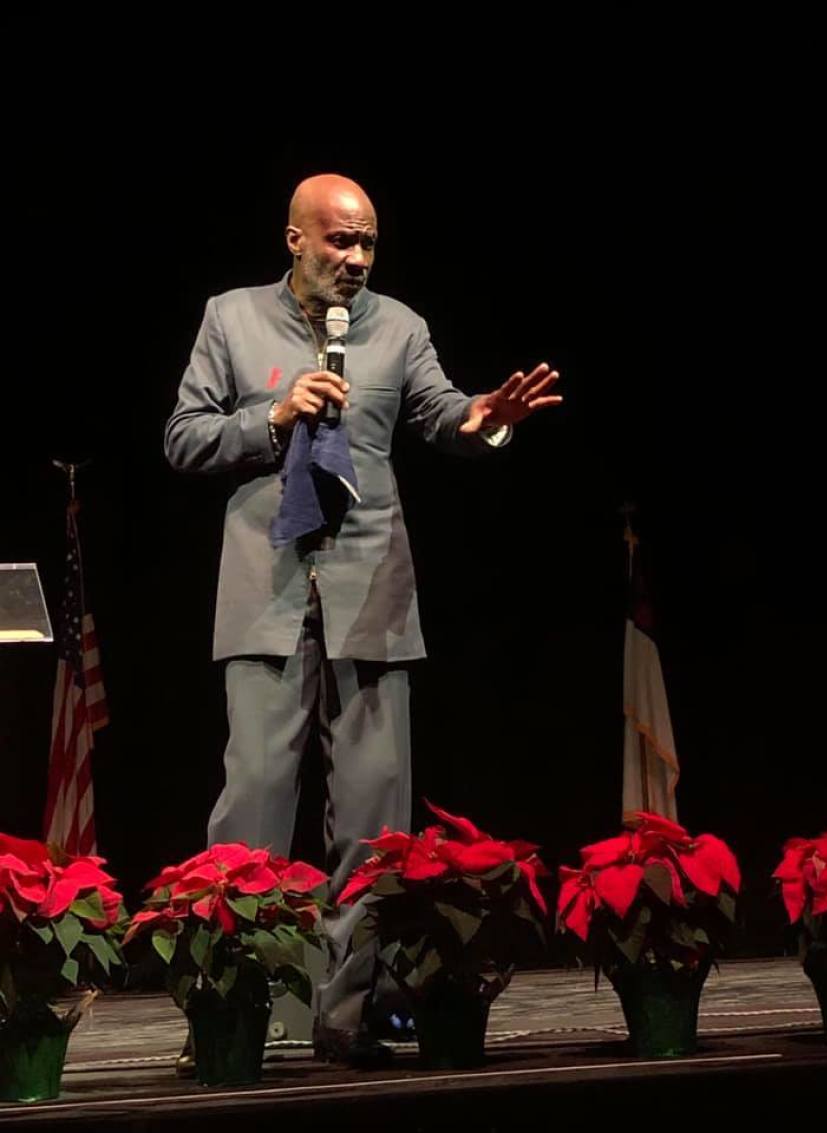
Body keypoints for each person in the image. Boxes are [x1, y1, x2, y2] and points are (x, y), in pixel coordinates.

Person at [164, 173, 561, 1063]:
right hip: (267, 596)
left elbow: (445, 415)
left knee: (376, 832)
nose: (354, 259)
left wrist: (487, 421)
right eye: (339, 241)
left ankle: (343, 1021)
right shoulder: (229, 319)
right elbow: (183, 437)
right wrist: (270, 414)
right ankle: (231, 1014)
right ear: (294, 239)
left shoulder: (400, 327)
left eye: (368, 243)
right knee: (253, 817)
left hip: (372, 599)